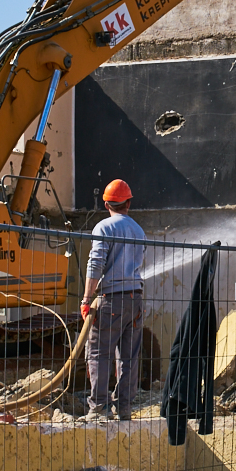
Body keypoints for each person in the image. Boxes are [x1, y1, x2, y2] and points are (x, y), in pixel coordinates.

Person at [81, 178, 146, 421]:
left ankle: (99, 408)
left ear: (106, 204)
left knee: (99, 353)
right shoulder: (138, 230)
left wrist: (87, 299)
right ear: (128, 203)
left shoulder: (103, 227)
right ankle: (124, 408)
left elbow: (95, 264)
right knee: (129, 357)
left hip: (112, 300)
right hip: (136, 300)